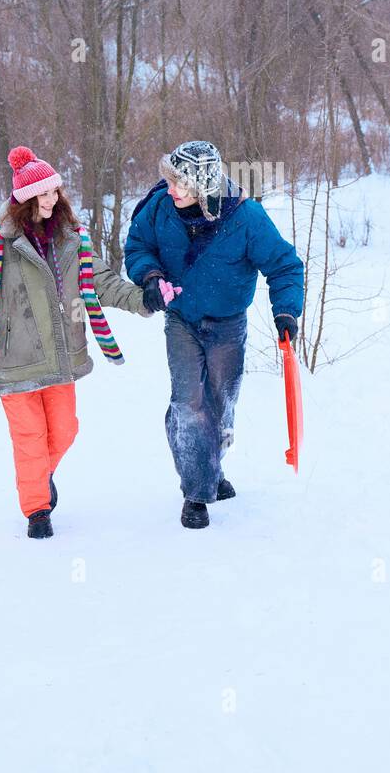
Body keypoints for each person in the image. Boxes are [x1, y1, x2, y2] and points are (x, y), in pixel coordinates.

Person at [0, 146, 157, 538]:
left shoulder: (72, 240)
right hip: (14, 361)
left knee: (65, 431)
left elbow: (104, 282)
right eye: (44, 194)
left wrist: (144, 299)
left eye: (56, 192)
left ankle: (38, 478)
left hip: (61, 358)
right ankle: (37, 510)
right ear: (25, 199)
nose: (53, 199)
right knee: (29, 439)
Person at [125, 140, 304, 529]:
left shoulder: (246, 218)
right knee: (189, 404)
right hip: (182, 320)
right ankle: (196, 492)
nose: (171, 190)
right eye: (169, 180)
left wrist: (286, 310)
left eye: (181, 184)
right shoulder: (160, 208)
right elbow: (138, 246)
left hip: (227, 325)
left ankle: (210, 467)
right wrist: (151, 276)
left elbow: (285, 265)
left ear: (204, 189)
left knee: (220, 405)